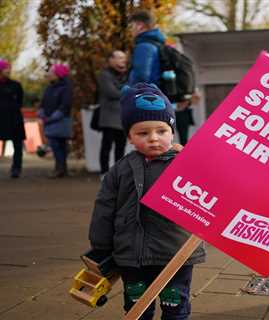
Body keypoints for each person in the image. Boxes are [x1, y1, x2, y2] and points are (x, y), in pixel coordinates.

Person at [88, 83, 205, 320]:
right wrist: (101, 246)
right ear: (129, 136)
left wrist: (193, 162)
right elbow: (104, 208)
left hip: (175, 253)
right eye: (143, 133)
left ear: (172, 131)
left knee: (175, 307)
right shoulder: (119, 170)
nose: (153, 139)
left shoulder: (186, 164)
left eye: (161, 131)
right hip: (131, 255)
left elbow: (213, 187)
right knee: (137, 308)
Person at [128, 10, 194, 145]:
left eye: (132, 26)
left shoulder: (144, 46)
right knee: (163, 141)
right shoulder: (159, 45)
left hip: (149, 101)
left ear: (140, 26)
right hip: (162, 100)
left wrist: (129, 94)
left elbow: (141, 76)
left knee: (151, 144)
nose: (131, 30)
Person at [38, 64, 74, 178]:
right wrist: (42, 113)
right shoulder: (49, 88)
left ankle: (61, 168)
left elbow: (65, 105)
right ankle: (60, 168)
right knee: (55, 145)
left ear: (58, 75)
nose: (49, 75)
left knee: (61, 145)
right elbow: (42, 103)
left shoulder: (66, 88)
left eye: (51, 72)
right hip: (50, 121)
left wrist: (53, 117)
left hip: (61, 121)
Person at [97, 50, 128, 175]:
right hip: (109, 118)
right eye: (120, 58)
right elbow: (112, 93)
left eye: (124, 58)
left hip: (123, 118)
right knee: (107, 146)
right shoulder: (104, 75)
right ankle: (104, 172)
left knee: (121, 147)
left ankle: (118, 173)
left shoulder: (127, 75)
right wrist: (128, 91)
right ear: (111, 60)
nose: (123, 61)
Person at [0, 59, 25, 178]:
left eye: (9, 68)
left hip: (14, 119)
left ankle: (16, 168)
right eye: (6, 68)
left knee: (18, 144)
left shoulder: (16, 85)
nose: (9, 70)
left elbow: (20, 101)